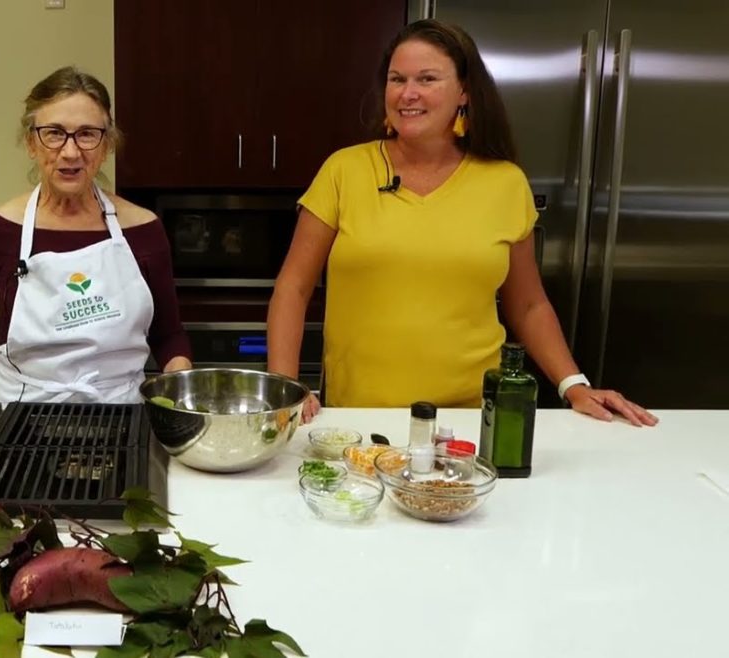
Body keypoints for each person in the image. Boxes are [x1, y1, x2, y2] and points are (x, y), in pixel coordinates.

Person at [267, 20, 657, 427]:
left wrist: (573, 384)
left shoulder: (504, 182)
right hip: (360, 418)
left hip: (470, 422)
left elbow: (528, 303)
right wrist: (284, 388)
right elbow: (293, 287)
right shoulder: (344, 170)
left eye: (427, 78)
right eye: (397, 79)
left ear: (465, 91)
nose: (408, 93)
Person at [0, 66, 192, 406]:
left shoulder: (143, 229)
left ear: (107, 144)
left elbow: (168, 334)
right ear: (31, 143)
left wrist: (181, 389)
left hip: (122, 415)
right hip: (19, 416)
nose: (70, 152)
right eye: (54, 133)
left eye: (86, 134)